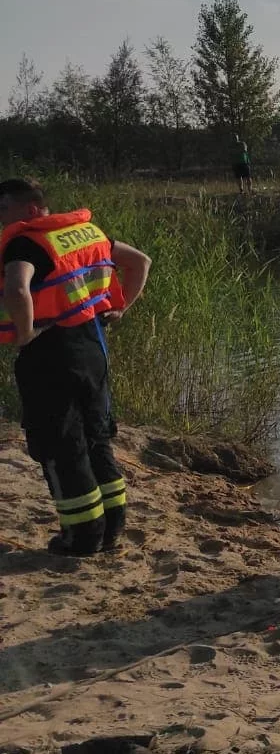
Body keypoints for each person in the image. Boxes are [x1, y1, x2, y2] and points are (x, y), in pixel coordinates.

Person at [0, 178, 151, 556]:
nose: (1, 219)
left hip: (51, 354)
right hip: (92, 346)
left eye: (3, 209)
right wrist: (121, 308)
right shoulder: (86, 231)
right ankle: (111, 530)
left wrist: (24, 333)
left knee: (60, 445)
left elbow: (17, 288)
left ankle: (82, 538)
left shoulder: (25, 242)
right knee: (97, 439)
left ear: (32, 209)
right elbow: (140, 262)